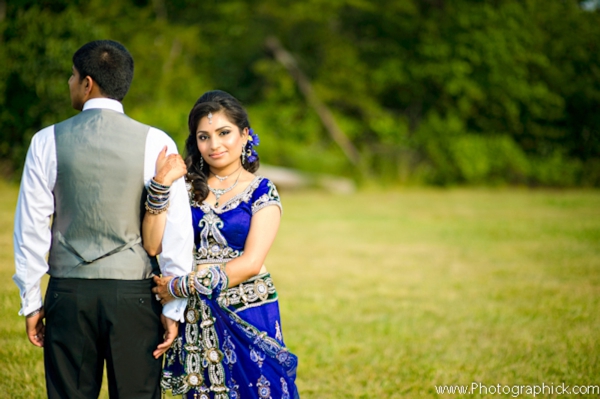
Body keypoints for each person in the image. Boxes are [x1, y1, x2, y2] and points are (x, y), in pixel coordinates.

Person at [12, 40, 194, 398]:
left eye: (72, 75)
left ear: (87, 82)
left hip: (69, 292)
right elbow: (176, 233)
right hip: (134, 296)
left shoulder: (46, 141)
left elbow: (31, 229)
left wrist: (32, 301)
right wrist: (174, 306)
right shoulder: (156, 141)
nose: (70, 82)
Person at [144, 90, 299, 399]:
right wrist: (161, 184)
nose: (214, 145)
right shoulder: (183, 188)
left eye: (224, 133)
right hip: (196, 317)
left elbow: (251, 263)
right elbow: (152, 244)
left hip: (247, 312)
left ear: (245, 135)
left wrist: (179, 286)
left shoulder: (262, 191)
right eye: (204, 137)